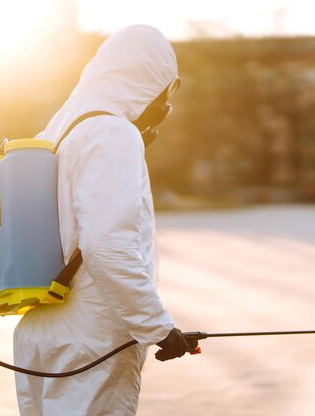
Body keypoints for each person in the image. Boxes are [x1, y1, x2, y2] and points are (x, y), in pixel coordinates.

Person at [13, 25, 189, 415]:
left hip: (42, 331)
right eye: (166, 91)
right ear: (146, 81)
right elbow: (107, 247)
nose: (165, 105)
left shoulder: (57, 131)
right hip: (91, 338)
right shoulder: (112, 134)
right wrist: (158, 328)